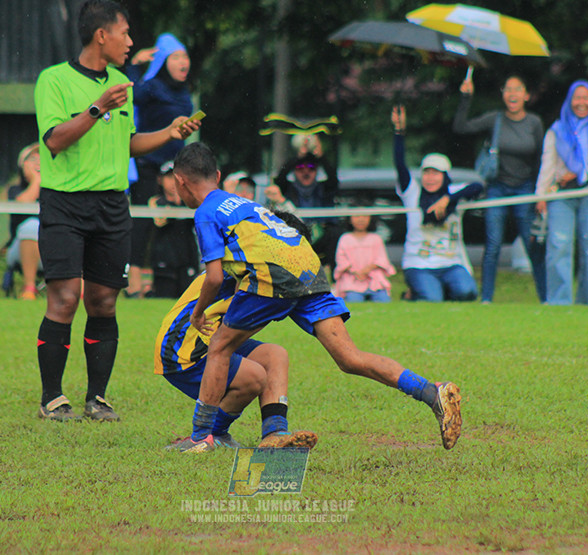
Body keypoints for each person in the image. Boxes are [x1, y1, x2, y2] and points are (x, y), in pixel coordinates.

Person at [167, 142, 462, 453]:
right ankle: (432, 392)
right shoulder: (243, 203)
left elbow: (213, 277)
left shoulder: (206, 213)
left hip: (274, 276)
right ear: (217, 174)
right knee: (349, 357)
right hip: (308, 267)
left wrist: (199, 313)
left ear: (179, 180)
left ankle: (201, 438)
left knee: (219, 347)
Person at [32, 0, 200, 422]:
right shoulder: (54, 80)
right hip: (65, 203)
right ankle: (52, 397)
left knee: (104, 301)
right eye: (124, 33)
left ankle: (97, 398)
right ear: (100, 35)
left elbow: (125, 142)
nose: (130, 41)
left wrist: (168, 132)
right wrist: (97, 108)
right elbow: (54, 140)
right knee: (66, 298)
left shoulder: (121, 83)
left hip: (112, 204)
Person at [157, 210, 320, 450]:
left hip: (213, 337)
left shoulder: (261, 266)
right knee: (254, 376)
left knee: (276, 355)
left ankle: (275, 433)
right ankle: (209, 435)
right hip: (184, 346)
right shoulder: (248, 265)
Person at [455, 74, 546, 303]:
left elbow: (540, 159)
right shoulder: (495, 119)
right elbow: (461, 127)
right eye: (508, 89)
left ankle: (546, 298)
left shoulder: (534, 123)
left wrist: (539, 193)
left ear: (526, 95)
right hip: (497, 187)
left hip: (526, 188)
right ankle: (486, 299)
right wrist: (466, 97)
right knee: (493, 244)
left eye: (517, 89)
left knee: (531, 243)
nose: (512, 94)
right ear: (502, 94)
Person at [535, 81, 588, 306]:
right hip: (561, 196)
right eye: (577, 98)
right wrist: (540, 195)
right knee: (559, 246)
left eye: (586, 98)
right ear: (570, 101)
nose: (582, 103)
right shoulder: (557, 130)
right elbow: (548, 163)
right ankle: (559, 301)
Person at [126, 33, 194, 298]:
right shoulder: (152, 86)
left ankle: (176, 278)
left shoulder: (185, 91)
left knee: (176, 221)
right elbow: (128, 94)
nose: (183, 62)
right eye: (176, 56)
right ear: (164, 61)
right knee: (142, 221)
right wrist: (134, 64)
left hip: (175, 167)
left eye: (185, 56)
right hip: (147, 164)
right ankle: (133, 284)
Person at [391, 106, 482, 302]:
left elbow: (477, 186)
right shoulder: (412, 193)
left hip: (451, 263)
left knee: (468, 293)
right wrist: (399, 132)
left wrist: (448, 199)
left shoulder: (453, 192)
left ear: (445, 176)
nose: (430, 178)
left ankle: (441, 288)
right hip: (419, 263)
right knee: (433, 300)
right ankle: (414, 293)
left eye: (436, 173)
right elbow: (400, 164)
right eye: (426, 172)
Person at [269, 135, 342, 273]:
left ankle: (335, 278)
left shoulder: (324, 188)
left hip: (320, 239)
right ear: (294, 171)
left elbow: (333, 180)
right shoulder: (288, 189)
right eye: (300, 168)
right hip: (295, 236)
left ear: (316, 171)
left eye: (310, 168)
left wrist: (321, 157)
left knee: (335, 233)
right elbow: (279, 179)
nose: (306, 172)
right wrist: (298, 157)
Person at [148, 162, 200, 299]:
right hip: (164, 260)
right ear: (160, 180)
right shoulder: (155, 201)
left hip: (187, 260)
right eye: (170, 177)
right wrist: (174, 205)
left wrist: (183, 201)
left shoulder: (191, 202)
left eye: (178, 179)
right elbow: (159, 221)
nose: (173, 183)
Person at [5, 143, 42, 301]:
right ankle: (29, 287)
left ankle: (81, 292)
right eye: (33, 159)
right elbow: (24, 203)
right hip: (19, 251)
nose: (39, 162)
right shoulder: (15, 190)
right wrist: (37, 180)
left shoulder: (56, 190)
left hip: (52, 249)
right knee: (31, 227)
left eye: (43, 158)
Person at [332, 213, 396, 303]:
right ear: (350, 219)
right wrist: (355, 271)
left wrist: (367, 270)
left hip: (374, 280)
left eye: (365, 216)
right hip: (353, 280)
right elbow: (341, 259)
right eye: (357, 216)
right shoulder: (345, 238)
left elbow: (382, 259)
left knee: (383, 299)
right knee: (353, 299)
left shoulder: (376, 238)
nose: (361, 220)